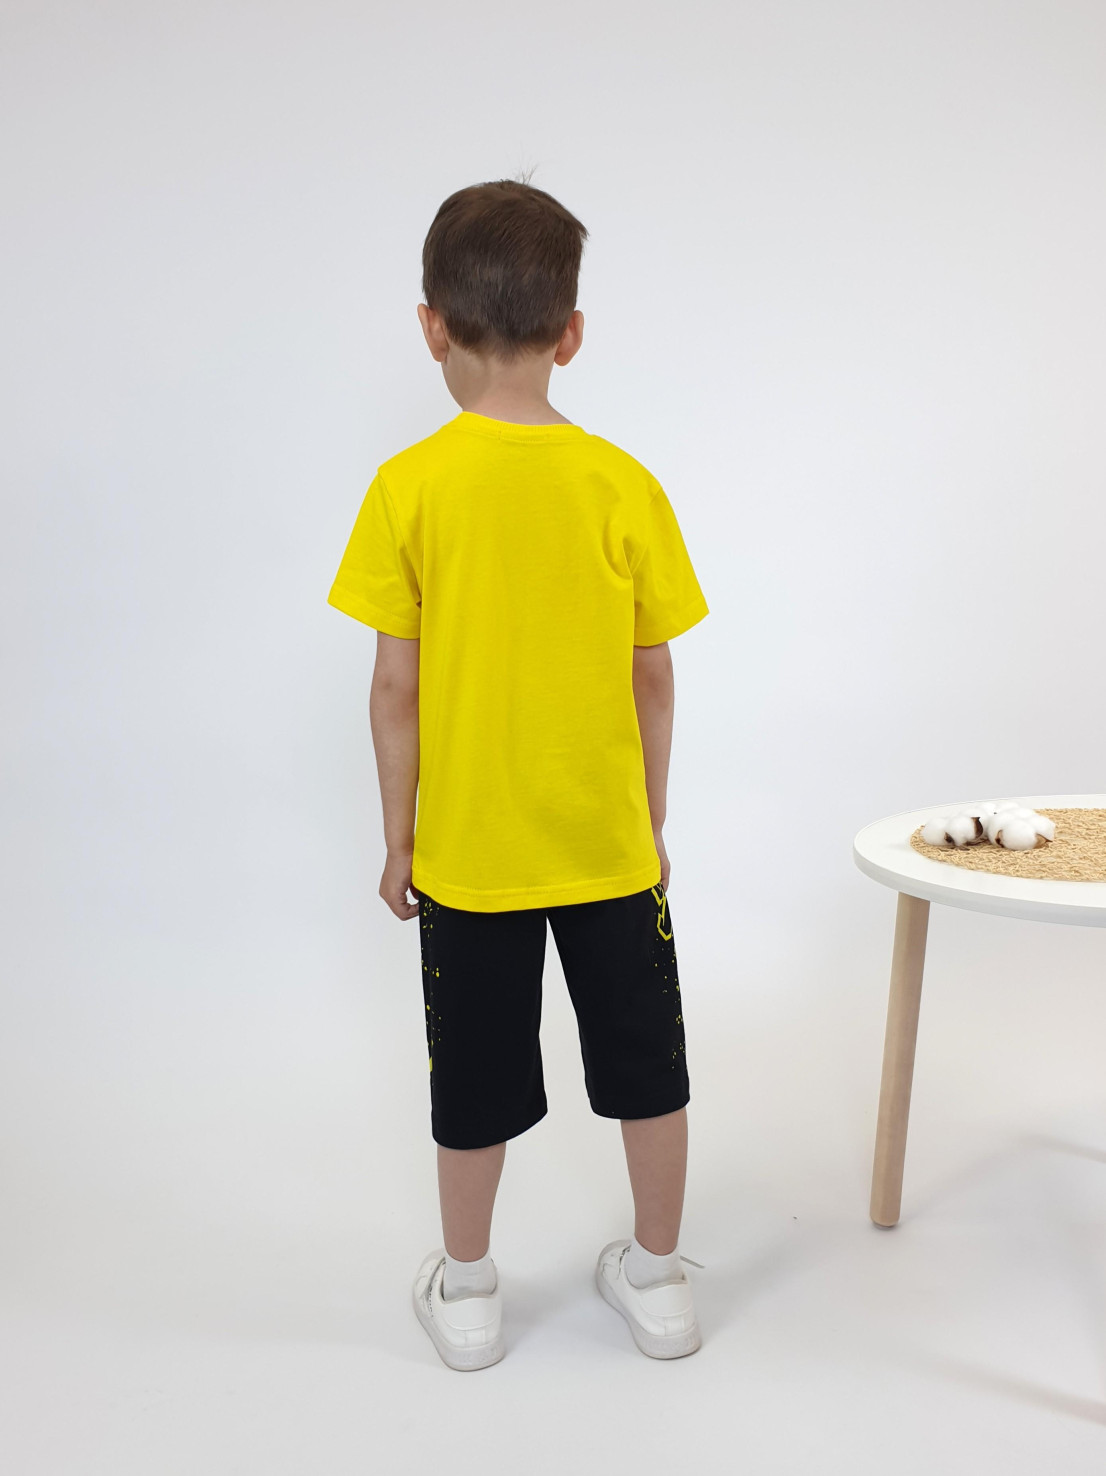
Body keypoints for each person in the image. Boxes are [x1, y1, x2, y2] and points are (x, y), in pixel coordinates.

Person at [327, 177, 709, 1370]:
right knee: (647, 1071)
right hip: (604, 847)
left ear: (432, 326)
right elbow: (653, 677)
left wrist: (400, 839)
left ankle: (471, 1291)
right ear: (570, 333)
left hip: (469, 855)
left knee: (472, 1079)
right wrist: (645, 820)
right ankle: (659, 1281)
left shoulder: (408, 488)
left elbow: (395, 691)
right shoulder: (622, 484)